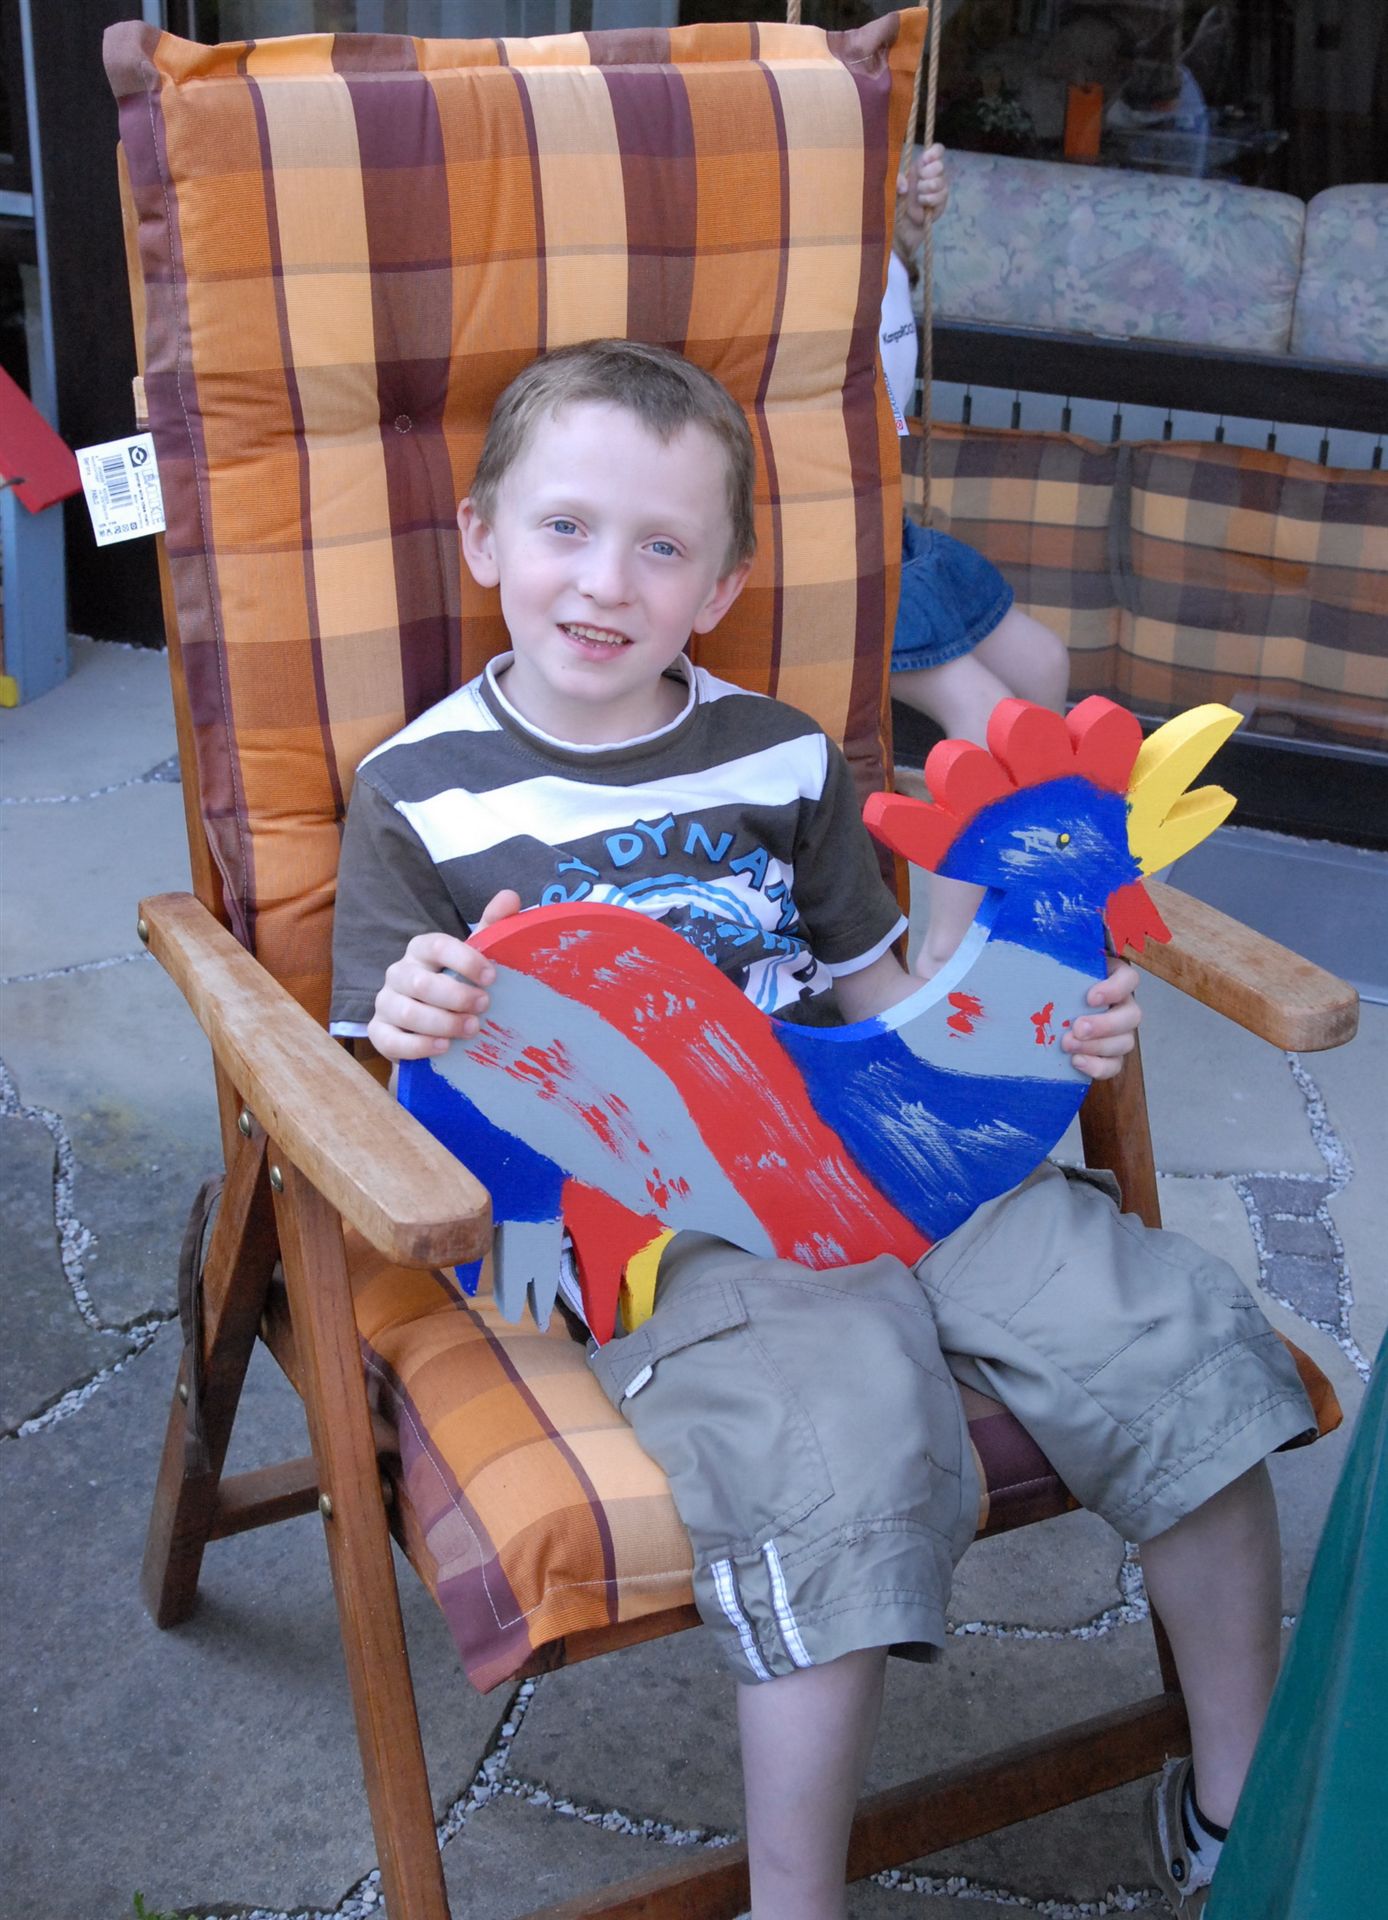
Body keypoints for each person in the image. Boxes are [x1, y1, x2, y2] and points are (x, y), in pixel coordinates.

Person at [330, 338, 1314, 1920]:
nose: (608, 581)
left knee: (1163, 1339)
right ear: (484, 538)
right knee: (835, 1442)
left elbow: (883, 997)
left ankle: (1235, 1813)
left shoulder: (781, 754)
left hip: (887, 1149)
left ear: (720, 584)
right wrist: (423, 1018)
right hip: (677, 1214)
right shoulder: (416, 792)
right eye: (567, 527)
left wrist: (1037, 1032)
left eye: (663, 546)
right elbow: (385, 1095)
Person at [885, 145, 1073, 978]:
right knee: (990, 717)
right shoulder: (801, 251)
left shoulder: (868, 246)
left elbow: (887, 278)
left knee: (1043, 661)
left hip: (887, 524)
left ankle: (1008, 880)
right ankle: (946, 954)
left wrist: (905, 226)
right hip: (832, 541)